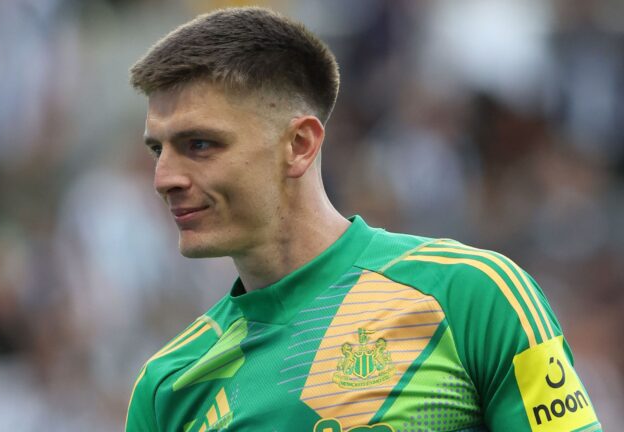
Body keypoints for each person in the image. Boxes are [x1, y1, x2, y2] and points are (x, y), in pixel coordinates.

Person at [125, 7, 601, 432]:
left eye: (199, 145)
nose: (164, 178)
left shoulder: (473, 294)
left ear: (299, 145)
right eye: (157, 150)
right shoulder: (168, 386)